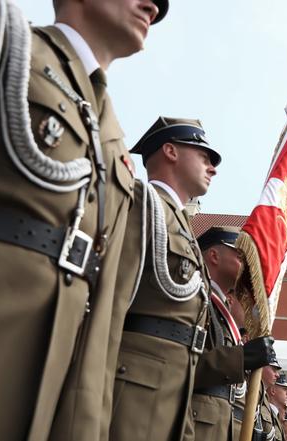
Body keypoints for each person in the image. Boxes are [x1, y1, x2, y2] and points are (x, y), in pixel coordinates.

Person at [0, 1, 167, 440]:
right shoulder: (5, 39)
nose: (153, 7)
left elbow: (106, 309)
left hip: (57, 389)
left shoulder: (114, 138)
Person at [108, 116, 218, 441]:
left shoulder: (178, 222)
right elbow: (113, 301)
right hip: (135, 387)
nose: (212, 167)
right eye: (204, 155)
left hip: (175, 387)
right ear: (170, 151)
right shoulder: (142, 204)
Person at [191, 226, 276, 441]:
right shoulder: (194, 298)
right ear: (214, 256)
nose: (246, 264)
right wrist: (241, 359)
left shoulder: (218, 310)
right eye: (239, 256)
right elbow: (180, 364)